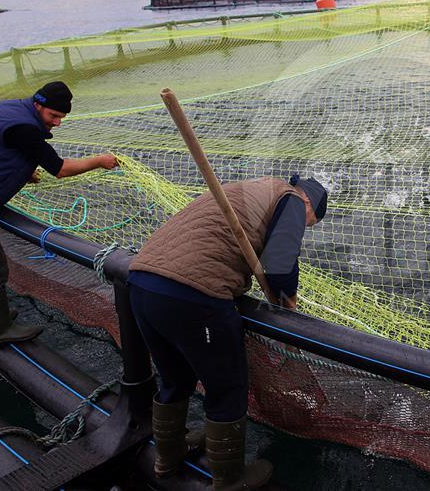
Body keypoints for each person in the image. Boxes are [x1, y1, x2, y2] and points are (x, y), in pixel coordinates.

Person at [127, 174, 328, 490]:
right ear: (307, 202)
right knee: (228, 388)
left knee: (175, 378)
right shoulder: (290, 198)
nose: (304, 227)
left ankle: (167, 458)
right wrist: (288, 303)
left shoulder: (249, 189)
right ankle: (229, 480)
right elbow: (279, 263)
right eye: (309, 222)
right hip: (193, 294)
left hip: (141, 282)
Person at [0, 81, 118, 345]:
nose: (57, 123)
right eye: (54, 116)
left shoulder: (7, 108)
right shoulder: (25, 129)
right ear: (38, 104)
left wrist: (22, 168)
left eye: (62, 117)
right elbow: (59, 168)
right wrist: (99, 161)